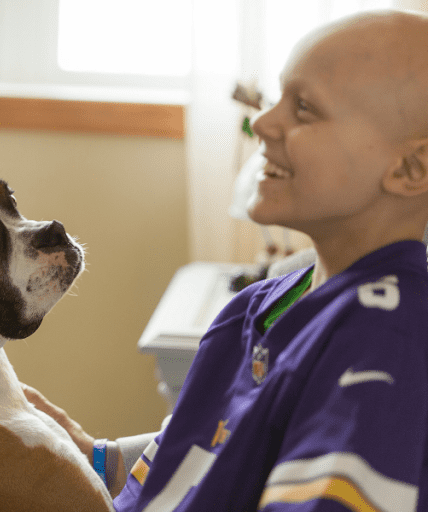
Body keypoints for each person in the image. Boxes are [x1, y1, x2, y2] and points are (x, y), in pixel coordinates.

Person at [23, 9, 428, 511]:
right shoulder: (256, 304)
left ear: (410, 168)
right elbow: (204, 455)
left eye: (304, 108)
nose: (261, 121)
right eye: (277, 96)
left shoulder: (391, 337)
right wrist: (90, 458)